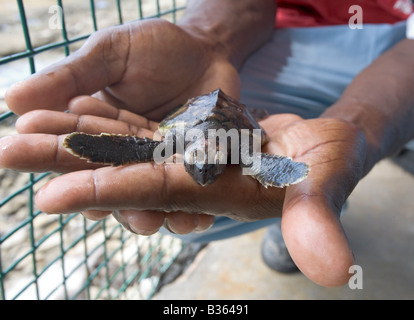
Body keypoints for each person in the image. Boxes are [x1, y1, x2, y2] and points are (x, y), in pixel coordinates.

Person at [0, 0, 413, 287]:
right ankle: (305, 210)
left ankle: (357, 174)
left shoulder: (243, 151)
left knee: (302, 175)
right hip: (276, 33)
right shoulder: (174, 144)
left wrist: (361, 129)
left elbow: (260, 158)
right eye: (202, 165)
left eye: (209, 166)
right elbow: (146, 147)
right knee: (180, 204)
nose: (204, 172)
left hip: (398, 42)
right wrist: (206, 39)